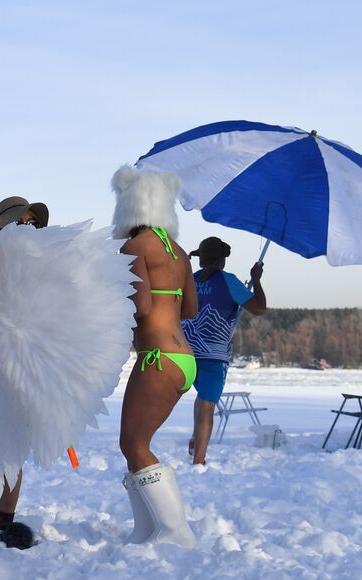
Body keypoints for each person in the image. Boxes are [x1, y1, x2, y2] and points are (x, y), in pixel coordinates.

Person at [111, 165, 198, 547]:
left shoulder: (134, 246)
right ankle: (148, 528)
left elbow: (142, 307)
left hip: (156, 358)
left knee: (134, 444)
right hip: (184, 359)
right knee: (134, 441)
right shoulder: (179, 252)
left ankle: (173, 531)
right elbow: (191, 309)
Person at [0, 195, 51, 549]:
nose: (27, 229)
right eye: (21, 222)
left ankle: (4, 523)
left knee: (13, 450)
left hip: (22, 367)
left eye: (33, 224)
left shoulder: (43, 268)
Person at [181, 237, 267, 464]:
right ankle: (199, 460)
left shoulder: (189, 280)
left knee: (200, 401)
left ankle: (195, 437)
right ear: (223, 261)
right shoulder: (229, 281)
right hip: (214, 356)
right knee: (206, 404)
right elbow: (259, 308)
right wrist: (256, 280)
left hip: (185, 353)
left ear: (201, 260)